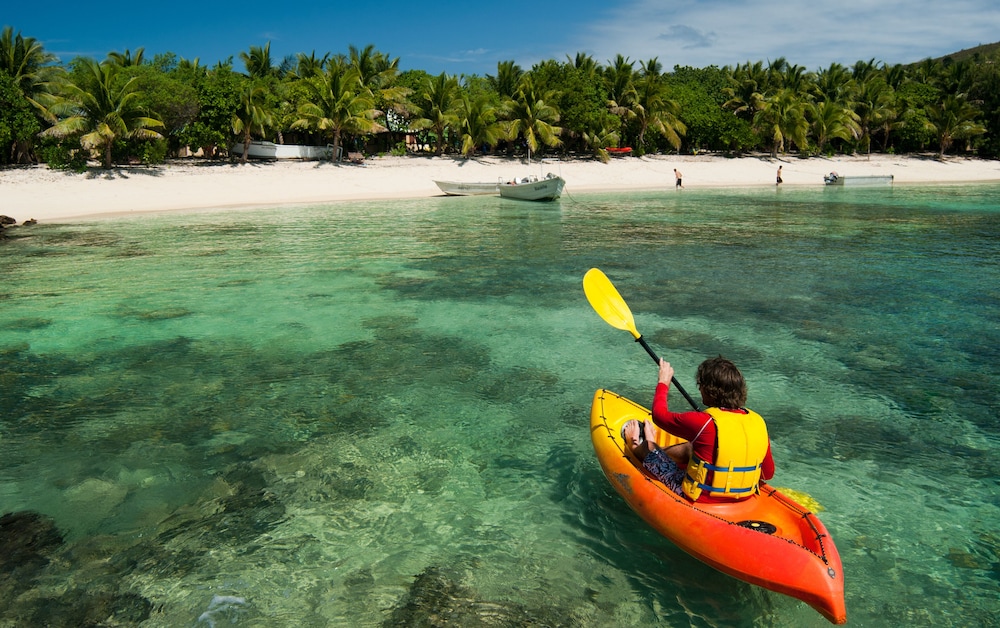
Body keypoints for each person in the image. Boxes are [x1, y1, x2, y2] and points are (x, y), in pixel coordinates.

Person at [622, 356, 774, 503]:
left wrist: (663, 382)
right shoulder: (758, 422)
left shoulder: (703, 422)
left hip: (700, 497)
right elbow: (767, 474)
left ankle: (639, 445)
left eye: (700, 384)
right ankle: (660, 450)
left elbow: (659, 416)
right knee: (693, 448)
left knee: (648, 449)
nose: (699, 388)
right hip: (744, 496)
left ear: (710, 391)